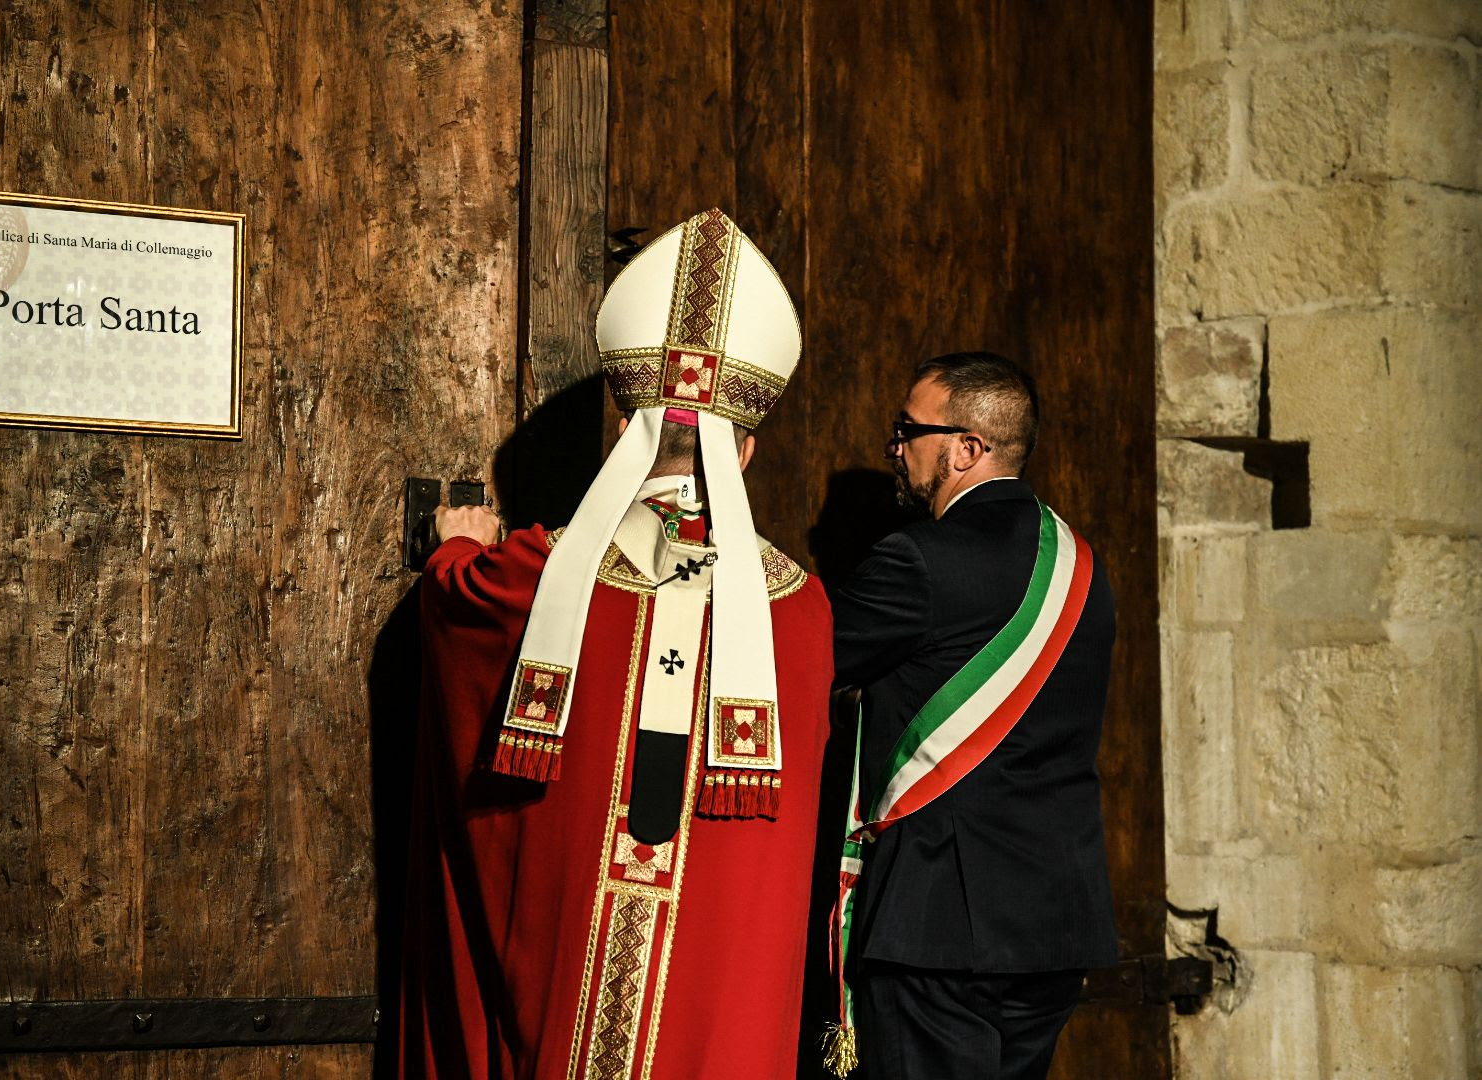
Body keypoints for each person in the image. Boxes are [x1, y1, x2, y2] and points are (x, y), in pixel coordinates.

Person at [400, 208, 833, 1079]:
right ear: (744, 452)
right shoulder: (799, 605)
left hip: (567, 957)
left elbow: (458, 608)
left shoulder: (542, 569)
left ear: (629, 435)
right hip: (719, 978)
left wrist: (455, 543)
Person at [823, 352, 1118, 1080]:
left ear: (965, 448)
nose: (896, 448)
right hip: (1055, 923)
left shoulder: (921, 559)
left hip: (941, 925)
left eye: (907, 429)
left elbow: (805, 662)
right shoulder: (1083, 565)